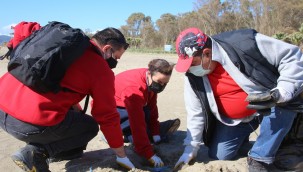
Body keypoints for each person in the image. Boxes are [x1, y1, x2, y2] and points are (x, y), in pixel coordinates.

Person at [0, 27, 136, 171]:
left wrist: (74, 107)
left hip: (2, 109)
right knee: (89, 127)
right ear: (107, 48)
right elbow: (107, 116)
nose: (115, 63)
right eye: (116, 57)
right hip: (24, 124)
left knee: (76, 114)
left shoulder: (65, 46)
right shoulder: (100, 68)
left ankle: (65, 152)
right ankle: (36, 153)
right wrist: (122, 156)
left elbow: (59, 83)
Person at [173, 27, 303, 172]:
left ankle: (260, 159)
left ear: (207, 53)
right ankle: (263, 145)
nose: (190, 69)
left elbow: (292, 56)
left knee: (285, 103)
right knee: (219, 154)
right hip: (238, 121)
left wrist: (283, 90)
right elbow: (195, 112)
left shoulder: (245, 42)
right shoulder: (192, 76)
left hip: (271, 106)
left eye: (192, 63)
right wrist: (191, 149)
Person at [114, 59, 180, 167]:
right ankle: (120, 133)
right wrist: (148, 153)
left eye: (165, 83)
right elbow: (137, 122)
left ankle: (147, 134)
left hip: (135, 106)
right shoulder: (134, 89)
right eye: (159, 82)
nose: (161, 86)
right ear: (149, 74)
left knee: (147, 114)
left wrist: (156, 133)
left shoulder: (150, 81)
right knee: (138, 129)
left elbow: (152, 107)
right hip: (116, 108)